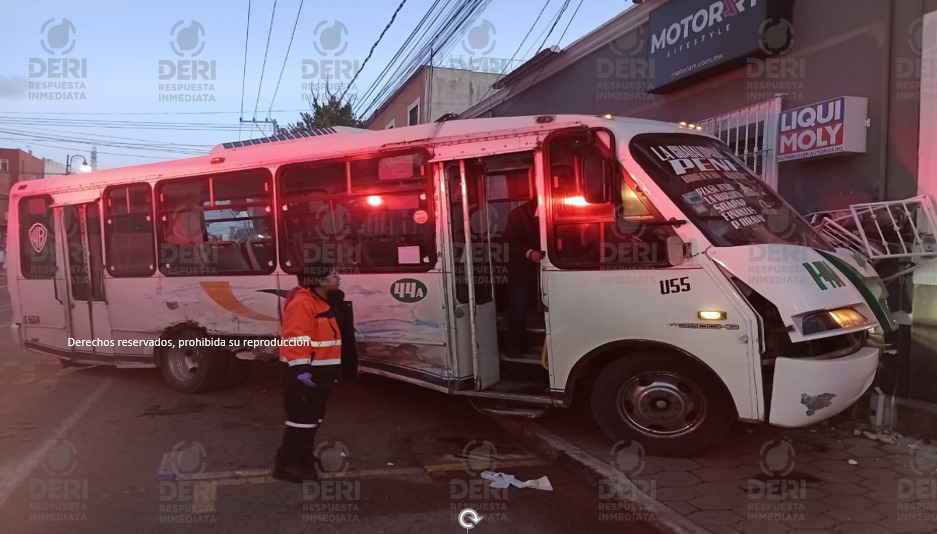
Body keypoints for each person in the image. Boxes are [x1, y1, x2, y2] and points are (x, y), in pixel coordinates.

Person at [273, 260, 347, 483]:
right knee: (301, 422)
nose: (338, 277)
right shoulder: (304, 303)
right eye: (333, 274)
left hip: (320, 374)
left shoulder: (321, 301)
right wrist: (301, 369)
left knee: (312, 420)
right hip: (305, 376)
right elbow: (296, 337)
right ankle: (287, 466)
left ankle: (301, 459)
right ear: (320, 280)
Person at [503, 198, 542, 355]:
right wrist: (530, 253)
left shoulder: (560, 209)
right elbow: (509, 242)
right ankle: (512, 346)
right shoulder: (518, 214)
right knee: (519, 306)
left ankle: (528, 343)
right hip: (522, 266)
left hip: (549, 264)